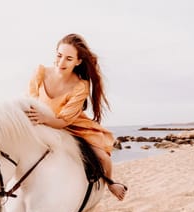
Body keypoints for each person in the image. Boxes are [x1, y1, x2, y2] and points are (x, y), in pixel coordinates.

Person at [25, 33, 127, 200]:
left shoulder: (80, 86)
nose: (61, 62)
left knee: (102, 157)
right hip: (40, 120)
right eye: (59, 56)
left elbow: (64, 120)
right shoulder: (40, 73)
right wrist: (38, 119)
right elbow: (30, 100)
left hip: (70, 124)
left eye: (68, 58)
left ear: (78, 61)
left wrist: (45, 119)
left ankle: (110, 183)